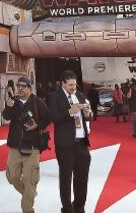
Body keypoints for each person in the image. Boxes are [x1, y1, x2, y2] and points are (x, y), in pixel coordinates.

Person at [3, 75, 51, 213]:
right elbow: (6, 116)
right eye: (18, 86)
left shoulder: (37, 102)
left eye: (23, 86)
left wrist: (37, 125)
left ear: (29, 88)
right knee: (12, 177)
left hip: (32, 147)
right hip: (15, 146)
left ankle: (27, 209)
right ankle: (29, 194)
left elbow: (48, 117)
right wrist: (8, 106)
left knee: (30, 181)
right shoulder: (14, 101)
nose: (20, 89)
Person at [49, 72, 92, 213]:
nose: (74, 87)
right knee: (66, 178)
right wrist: (70, 112)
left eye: (75, 84)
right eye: (70, 85)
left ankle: (79, 207)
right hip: (65, 145)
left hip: (82, 143)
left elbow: (89, 115)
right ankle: (67, 209)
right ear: (63, 83)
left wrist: (88, 114)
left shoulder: (80, 95)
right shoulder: (54, 96)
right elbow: (54, 117)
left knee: (82, 178)